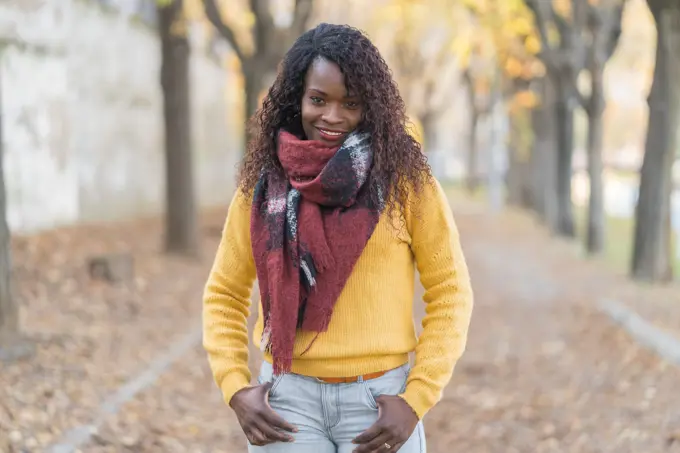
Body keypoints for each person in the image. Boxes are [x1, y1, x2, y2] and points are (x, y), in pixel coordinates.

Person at [202, 22, 474, 453]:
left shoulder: (406, 182)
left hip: (380, 404)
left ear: (372, 105)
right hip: (286, 404)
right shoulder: (263, 184)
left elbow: (451, 292)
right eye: (318, 100)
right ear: (298, 99)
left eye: (351, 103)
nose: (332, 116)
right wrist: (235, 387)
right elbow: (225, 293)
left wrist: (416, 398)